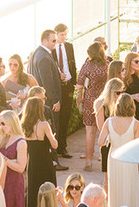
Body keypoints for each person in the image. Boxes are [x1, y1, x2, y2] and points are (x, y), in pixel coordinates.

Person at [98, 93, 139, 207]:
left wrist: (111, 140)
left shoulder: (109, 121)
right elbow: (137, 147)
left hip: (114, 158)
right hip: (129, 158)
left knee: (115, 187)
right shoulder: (135, 123)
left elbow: (100, 142)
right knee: (129, 186)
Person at [21, 95, 57, 207]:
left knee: (33, 190)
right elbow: (55, 145)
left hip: (32, 162)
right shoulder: (44, 124)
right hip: (45, 161)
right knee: (48, 188)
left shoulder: (23, 125)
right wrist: (54, 137)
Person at [0, 110, 27, 207]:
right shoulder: (3, 139)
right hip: (1, 182)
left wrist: (6, 160)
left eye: (4, 123)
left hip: (14, 183)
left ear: (11, 122)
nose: (1, 126)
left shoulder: (21, 142)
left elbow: (21, 167)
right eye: (0, 123)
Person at [77, 42, 110, 170]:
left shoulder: (87, 66)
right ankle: (105, 159)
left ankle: (89, 161)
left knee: (90, 131)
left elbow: (79, 85)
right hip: (105, 99)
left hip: (90, 99)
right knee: (105, 130)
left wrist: (80, 96)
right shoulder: (107, 66)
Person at [27, 29, 62, 133]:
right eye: (53, 41)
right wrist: (55, 100)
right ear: (45, 41)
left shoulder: (35, 53)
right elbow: (48, 82)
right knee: (52, 130)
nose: (56, 43)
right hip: (48, 102)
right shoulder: (44, 57)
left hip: (40, 100)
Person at [94, 77, 125, 191]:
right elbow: (101, 127)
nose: (120, 95)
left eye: (122, 92)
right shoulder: (100, 104)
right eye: (118, 93)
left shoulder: (121, 103)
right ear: (111, 92)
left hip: (121, 140)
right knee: (107, 177)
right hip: (108, 142)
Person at [53, 23, 77, 158]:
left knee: (66, 116)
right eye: (61, 35)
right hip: (57, 86)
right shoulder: (51, 48)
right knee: (56, 117)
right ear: (56, 34)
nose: (64, 37)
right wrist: (58, 75)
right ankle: (55, 147)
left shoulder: (69, 46)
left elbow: (72, 63)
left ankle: (63, 146)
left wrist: (73, 82)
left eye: (65, 35)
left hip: (68, 85)